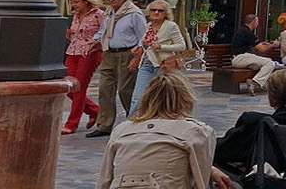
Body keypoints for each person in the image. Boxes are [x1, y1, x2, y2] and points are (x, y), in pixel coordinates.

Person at [96, 70, 232, 189]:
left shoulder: (121, 130)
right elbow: (201, 181)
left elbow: (105, 179)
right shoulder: (197, 131)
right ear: (186, 99)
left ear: (146, 99)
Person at [89, 0, 147, 138]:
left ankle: (134, 121)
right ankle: (104, 125)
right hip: (109, 52)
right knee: (104, 89)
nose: (111, 0)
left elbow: (143, 36)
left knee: (125, 89)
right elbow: (103, 30)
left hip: (127, 53)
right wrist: (95, 40)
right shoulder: (109, 12)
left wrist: (137, 56)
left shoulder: (134, 13)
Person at [128, 0, 187, 115]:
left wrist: (161, 46)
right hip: (146, 63)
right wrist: (138, 48)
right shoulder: (148, 26)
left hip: (164, 64)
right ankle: (132, 121)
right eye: (153, 10)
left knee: (162, 95)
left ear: (166, 13)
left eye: (160, 10)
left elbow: (182, 46)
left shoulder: (171, 26)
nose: (156, 12)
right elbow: (145, 43)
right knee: (138, 96)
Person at [63, 0, 106, 135]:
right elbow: (73, 35)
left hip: (89, 52)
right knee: (67, 85)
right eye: (72, 2)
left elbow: (105, 32)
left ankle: (72, 123)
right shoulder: (74, 16)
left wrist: (96, 43)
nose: (74, 5)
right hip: (73, 50)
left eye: (76, 2)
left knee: (79, 88)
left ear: (85, 1)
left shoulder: (99, 15)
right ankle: (95, 111)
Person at [230, 14, 277, 95]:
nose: (257, 24)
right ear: (253, 22)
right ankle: (255, 82)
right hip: (241, 58)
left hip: (241, 58)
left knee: (259, 65)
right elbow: (262, 49)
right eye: (257, 22)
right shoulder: (248, 33)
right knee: (270, 63)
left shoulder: (242, 31)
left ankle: (257, 83)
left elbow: (255, 45)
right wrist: (273, 45)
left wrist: (262, 44)